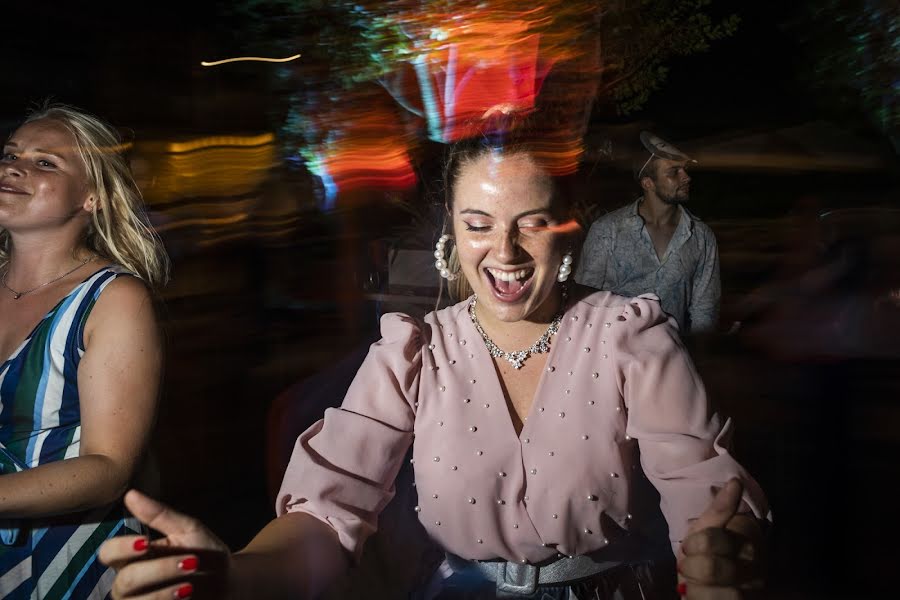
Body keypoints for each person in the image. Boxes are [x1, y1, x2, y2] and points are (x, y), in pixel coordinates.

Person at [99, 127, 768, 600]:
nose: (502, 250)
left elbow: (707, 499)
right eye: (478, 223)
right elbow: (327, 515)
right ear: (451, 228)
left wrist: (719, 557)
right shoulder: (411, 352)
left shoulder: (631, 336)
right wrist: (239, 575)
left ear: (570, 224)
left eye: (530, 221)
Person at [0, 103, 168, 598]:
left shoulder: (113, 300)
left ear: (92, 196)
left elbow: (107, 469)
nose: (12, 166)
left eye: (45, 162)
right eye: (10, 154)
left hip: (61, 562)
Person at [576, 132, 720, 334]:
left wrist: (696, 356)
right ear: (648, 183)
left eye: (684, 170)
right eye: (674, 172)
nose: (686, 177)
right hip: (615, 353)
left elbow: (704, 311)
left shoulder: (701, 237)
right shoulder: (607, 230)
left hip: (672, 356)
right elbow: (584, 299)